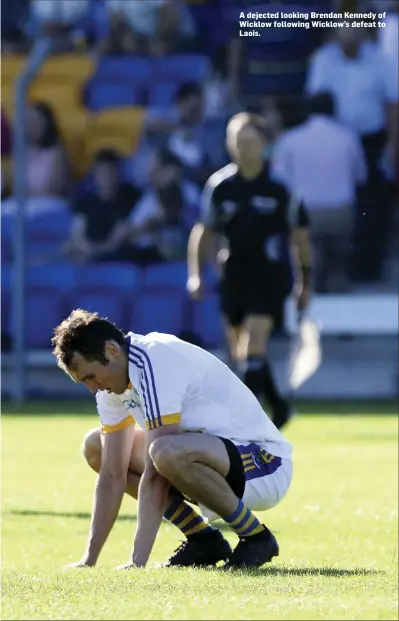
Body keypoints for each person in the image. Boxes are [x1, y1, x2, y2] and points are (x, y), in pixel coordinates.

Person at [52, 309, 293, 570]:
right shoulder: (112, 384)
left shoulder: (154, 359)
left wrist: (137, 562)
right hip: (209, 459)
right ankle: (203, 540)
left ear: (111, 351)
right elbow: (112, 474)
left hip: (266, 465)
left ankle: (256, 537)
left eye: (90, 376)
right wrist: (89, 561)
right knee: (96, 446)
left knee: (164, 452)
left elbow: (156, 473)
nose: (93, 388)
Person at [187, 112, 313, 430]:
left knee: (254, 345)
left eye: (250, 141)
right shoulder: (220, 186)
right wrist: (197, 274)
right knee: (243, 354)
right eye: (237, 142)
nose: (243, 148)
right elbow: (204, 232)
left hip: (269, 278)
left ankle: (242, 425)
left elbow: (300, 238)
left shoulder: (280, 188)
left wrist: (304, 282)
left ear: (265, 145)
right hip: (233, 277)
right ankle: (280, 407)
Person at [272, 92, 367, 293]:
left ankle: (311, 310)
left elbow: (279, 181)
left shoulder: (290, 139)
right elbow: (361, 175)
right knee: (337, 269)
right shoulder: (348, 137)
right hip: (341, 214)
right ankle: (340, 307)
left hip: (305, 215)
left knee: (309, 268)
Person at [63, 149, 141, 264]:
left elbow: (117, 240)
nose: (106, 177)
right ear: (95, 173)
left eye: (110, 171)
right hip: (87, 255)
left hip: (116, 259)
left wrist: (95, 252)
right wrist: (87, 250)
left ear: (118, 172)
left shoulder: (130, 200)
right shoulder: (85, 203)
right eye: (102, 172)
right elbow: (77, 236)